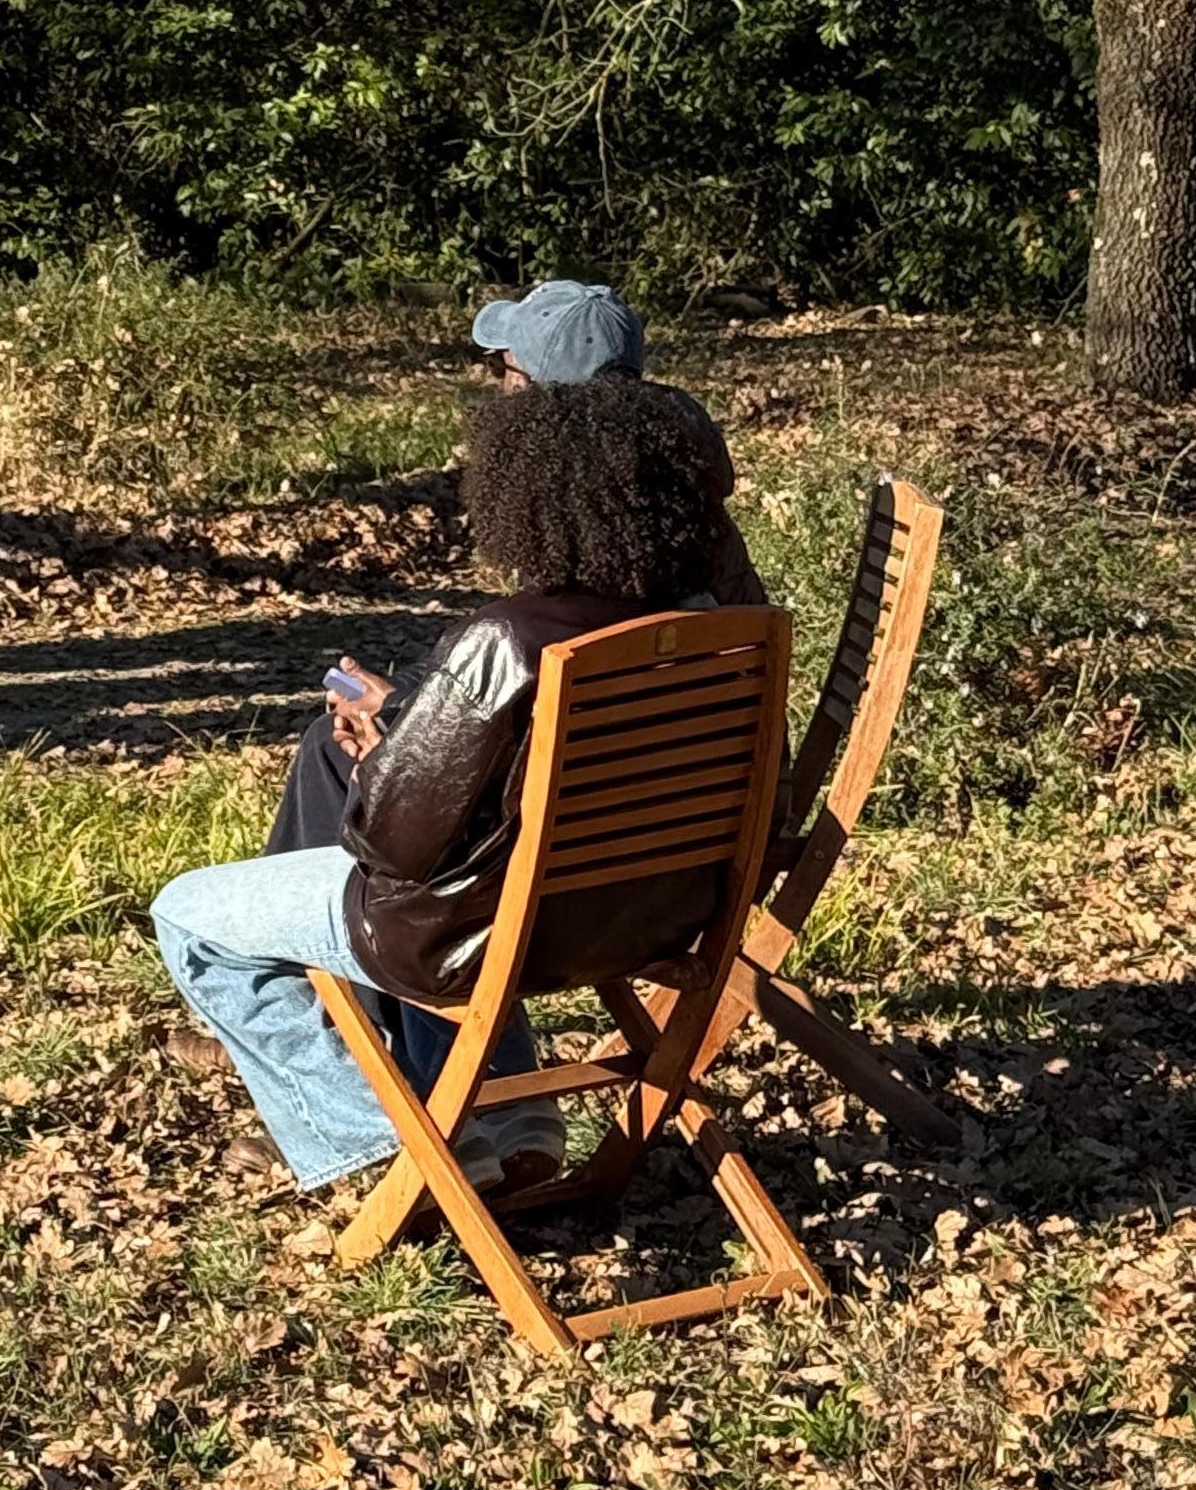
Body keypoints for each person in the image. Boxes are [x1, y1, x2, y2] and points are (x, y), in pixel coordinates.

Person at [154, 368, 758, 1206]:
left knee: (190, 914)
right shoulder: (727, 630)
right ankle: (508, 1121)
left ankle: (387, 1143)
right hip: (661, 920)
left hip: (485, 940)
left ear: (529, 504)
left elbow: (389, 843)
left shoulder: (503, 641)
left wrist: (376, 763)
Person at [264, 276, 762, 855]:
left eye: (506, 371)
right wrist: (404, 703)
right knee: (329, 743)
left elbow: (415, 830)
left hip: (521, 890)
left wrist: (387, 766)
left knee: (201, 913)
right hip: (670, 859)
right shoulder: (705, 564)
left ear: (533, 418)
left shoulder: (520, 629)